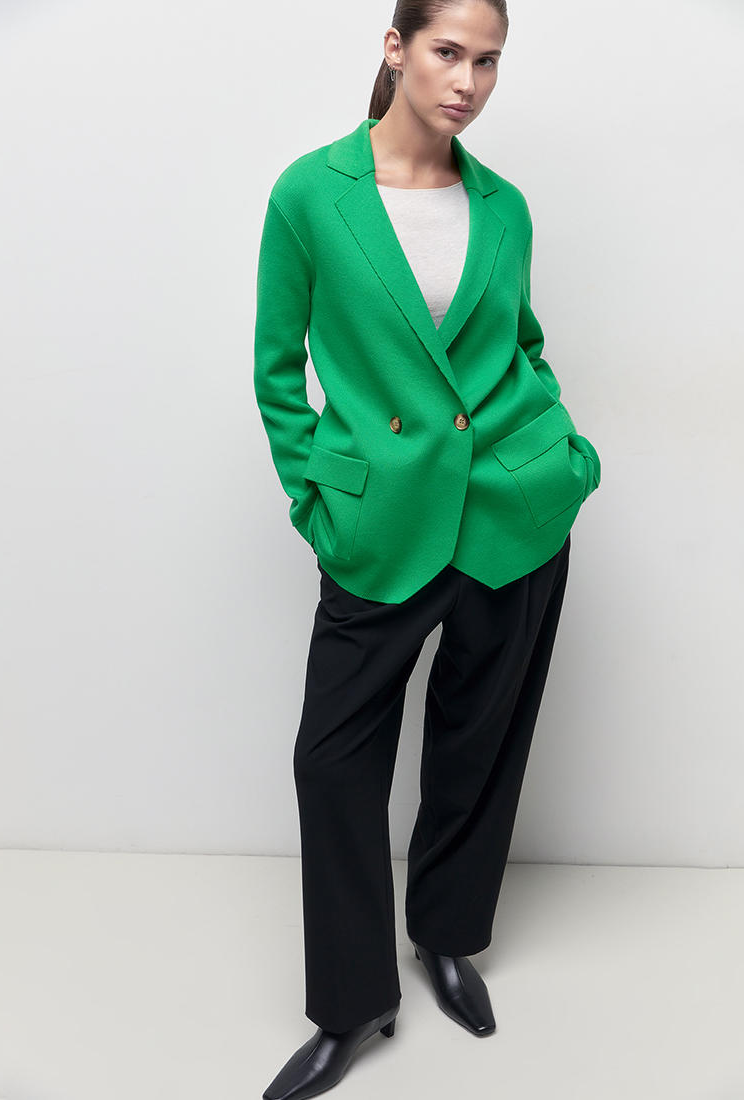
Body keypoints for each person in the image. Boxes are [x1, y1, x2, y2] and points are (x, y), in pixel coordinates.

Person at [253, 1, 602, 1096]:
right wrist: (319, 502)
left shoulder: (503, 207)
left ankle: (447, 936)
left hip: (508, 514)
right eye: (448, 52)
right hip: (383, 524)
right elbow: (276, 371)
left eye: (488, 61)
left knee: (477, 739)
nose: (468, 81)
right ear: (395, 47)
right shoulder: (311, 194)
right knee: (331, 758)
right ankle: (352, 998)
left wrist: (562, 458)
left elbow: (522, 347)